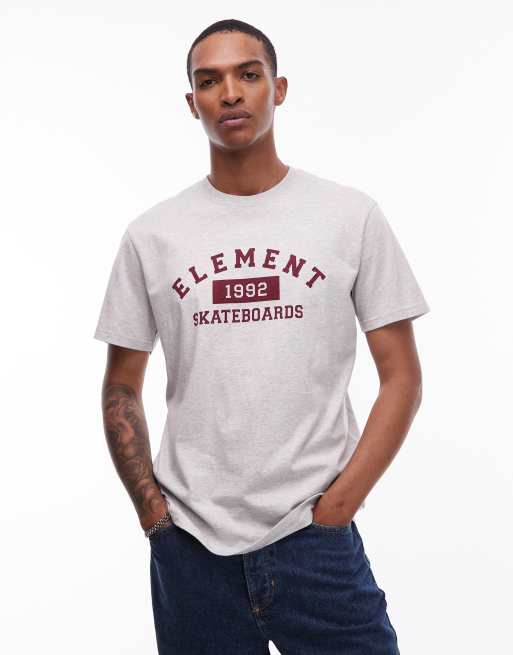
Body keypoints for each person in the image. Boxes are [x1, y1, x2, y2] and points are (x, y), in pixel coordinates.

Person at [94, 18, 430, 655]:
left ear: (278, 89)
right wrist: (153, 516)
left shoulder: (349, 216)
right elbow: (121, 386)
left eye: (247, 75)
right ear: (191, 102)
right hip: (190, 549)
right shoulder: (152, 236)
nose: (230, 93)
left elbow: (402, 377)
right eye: (209, 81)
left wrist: (338, 507)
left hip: (316, 543)